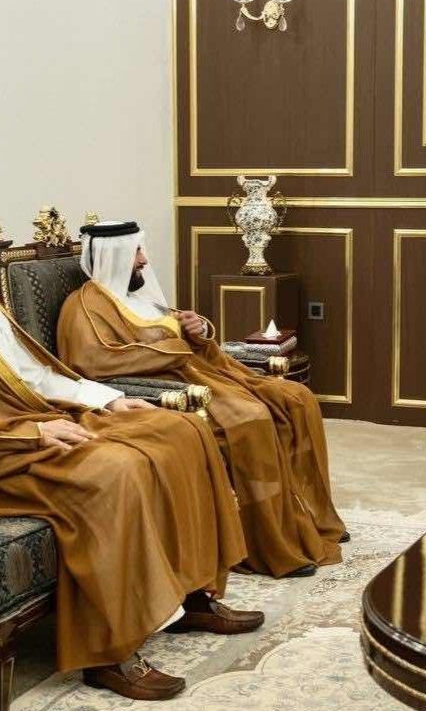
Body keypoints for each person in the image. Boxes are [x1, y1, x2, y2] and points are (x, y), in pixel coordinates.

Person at [0, 196, 264, 701]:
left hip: (30, 424)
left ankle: (192, 595)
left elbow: (33, 375)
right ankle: (109, 654)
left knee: (181, 432)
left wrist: (106, 399)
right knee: (113, 471)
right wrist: (34, 434)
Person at [56, 220, 346, 578]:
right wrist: (176, 344)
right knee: (251, 418)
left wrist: (197, 329)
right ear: (112, 256)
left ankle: (309, 519)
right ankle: (263, 541)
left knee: (296, 397)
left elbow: (184, 336)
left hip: (204, 373)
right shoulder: (84, 306)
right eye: (136, 252)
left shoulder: (136, 299)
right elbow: (91, 361)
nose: (144, 260)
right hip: (166, 386)